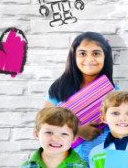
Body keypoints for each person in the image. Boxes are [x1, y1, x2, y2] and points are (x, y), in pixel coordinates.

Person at [46, 32, 117, 161]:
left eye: (96, 53)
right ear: (74, 57)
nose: (89, 59)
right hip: (66, 158)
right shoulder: (59, 88)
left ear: (105, 57)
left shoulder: (115, 92)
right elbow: (43, 124)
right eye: (82, 53)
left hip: (101, 158)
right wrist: (77, 131)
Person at [21, 107, 88, 168]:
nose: (56, 139)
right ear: (36, 134)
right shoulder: (26, 166)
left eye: (64, 134)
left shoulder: (83, 166)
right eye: (49, 132)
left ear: (73, 138)